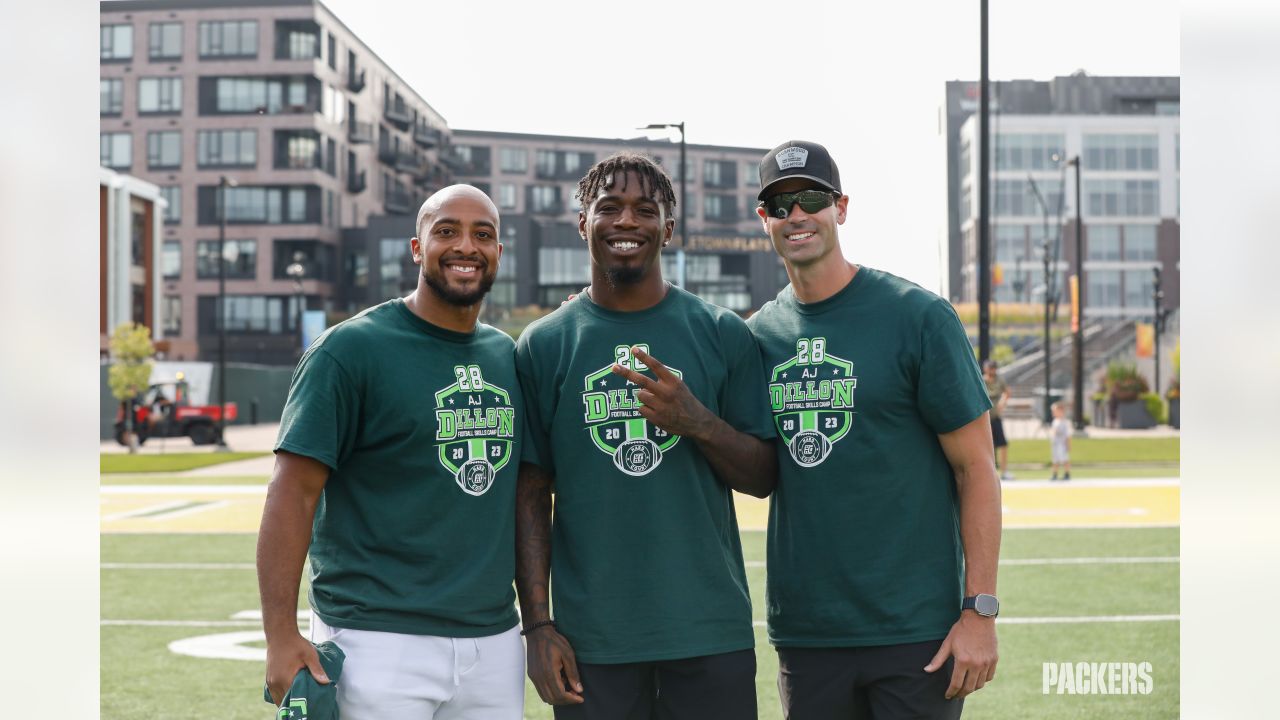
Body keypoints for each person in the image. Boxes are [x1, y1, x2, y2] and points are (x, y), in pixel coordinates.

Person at [514, 152, 777, 719]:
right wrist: (538, 626)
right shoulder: (543, 344)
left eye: (644, 209)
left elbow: (764, 476)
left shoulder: (721, 333)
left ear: (668, 228)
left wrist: (697, 422)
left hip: (708, 631)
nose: (626, 222)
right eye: (608, 208)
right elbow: (531, 493)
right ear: (583, 223)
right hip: (594, 640)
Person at [746, 140, 1002, 719]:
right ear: (764, 219)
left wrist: (979, 610)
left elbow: (977, 468)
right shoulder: (759, 334)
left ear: (840, 207)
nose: (796, 216)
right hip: (808, 633)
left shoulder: (919, 317)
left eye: (811, 199)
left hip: (915, 631)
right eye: (780, 205)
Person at [257, 185, 525, 720]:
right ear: (417, 248)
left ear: (499, 253)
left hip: (494, 640)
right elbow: (292, 494)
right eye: (446, 230)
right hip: (375, 638)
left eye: (483, 234)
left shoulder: (509, 356)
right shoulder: (350, 349)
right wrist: (280, 636)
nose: (465, 246)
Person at [983, 360, 1013, 480]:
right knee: (987, 446)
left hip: (996, 417)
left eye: (994, 368)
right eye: (990, 368)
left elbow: (1007, 392)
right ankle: (989, 472)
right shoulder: (982, 380)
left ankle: (1004, 471)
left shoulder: (999, 380)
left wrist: (1003, 402)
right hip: (984, 420)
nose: (993, 371)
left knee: (1003, 444)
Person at [1049, 401, 1071, 481]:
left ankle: (1067, 473)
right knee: (1055, 459)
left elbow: (1068, 435)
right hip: (1055, 444)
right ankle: (1054, 474)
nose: (1053, 413)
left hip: (1062, 444)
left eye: (1055, 411)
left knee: (1065, 459)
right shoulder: (1055, 422)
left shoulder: (1065, 422)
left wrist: (1068, 445)